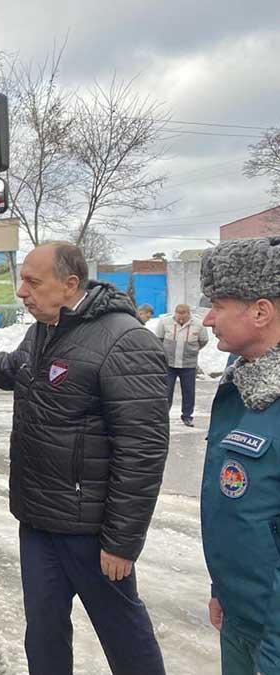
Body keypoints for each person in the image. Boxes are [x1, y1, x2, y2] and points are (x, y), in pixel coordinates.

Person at [0, 242, 168, 675]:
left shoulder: (125, 340)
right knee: (43, 632)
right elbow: (6, 369)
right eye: (22, 280)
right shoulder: (43, 331)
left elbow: (142, 451)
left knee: (123, 635)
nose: (22, 292)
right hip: (38, 522)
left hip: (91, 532)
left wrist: (122, 542)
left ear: (70, 284)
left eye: (33, 282)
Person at [198, 236, 280, 675]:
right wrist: (222, 590)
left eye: (218, 305)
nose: (208, 319)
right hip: (242, 617)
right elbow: (241, 510)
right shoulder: (242, 388)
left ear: (260, 311)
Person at [155, 303, 209, 427]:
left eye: (183, 315)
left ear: (188, 313)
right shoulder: (165, 322)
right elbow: (159, 339)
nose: (180, 317)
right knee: (166, 391)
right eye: (178, 314)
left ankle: (187, 416)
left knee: (189, 391)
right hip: (169, 364)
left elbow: (203, 341)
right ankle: (164, 416)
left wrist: (192, 351)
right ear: (175, 312)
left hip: (188, 364)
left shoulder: (198, 324)